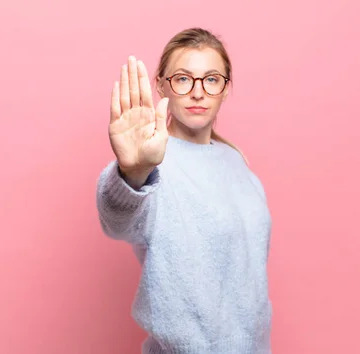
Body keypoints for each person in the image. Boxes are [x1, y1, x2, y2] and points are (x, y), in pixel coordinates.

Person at [95, 27, 273, 354]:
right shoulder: (154, 162)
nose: (197, 92)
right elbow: (118, 222)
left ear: (225, 88)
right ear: (161, 85)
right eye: (182, 78)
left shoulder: (237, 163)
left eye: (211, 79)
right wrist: (133, 171)